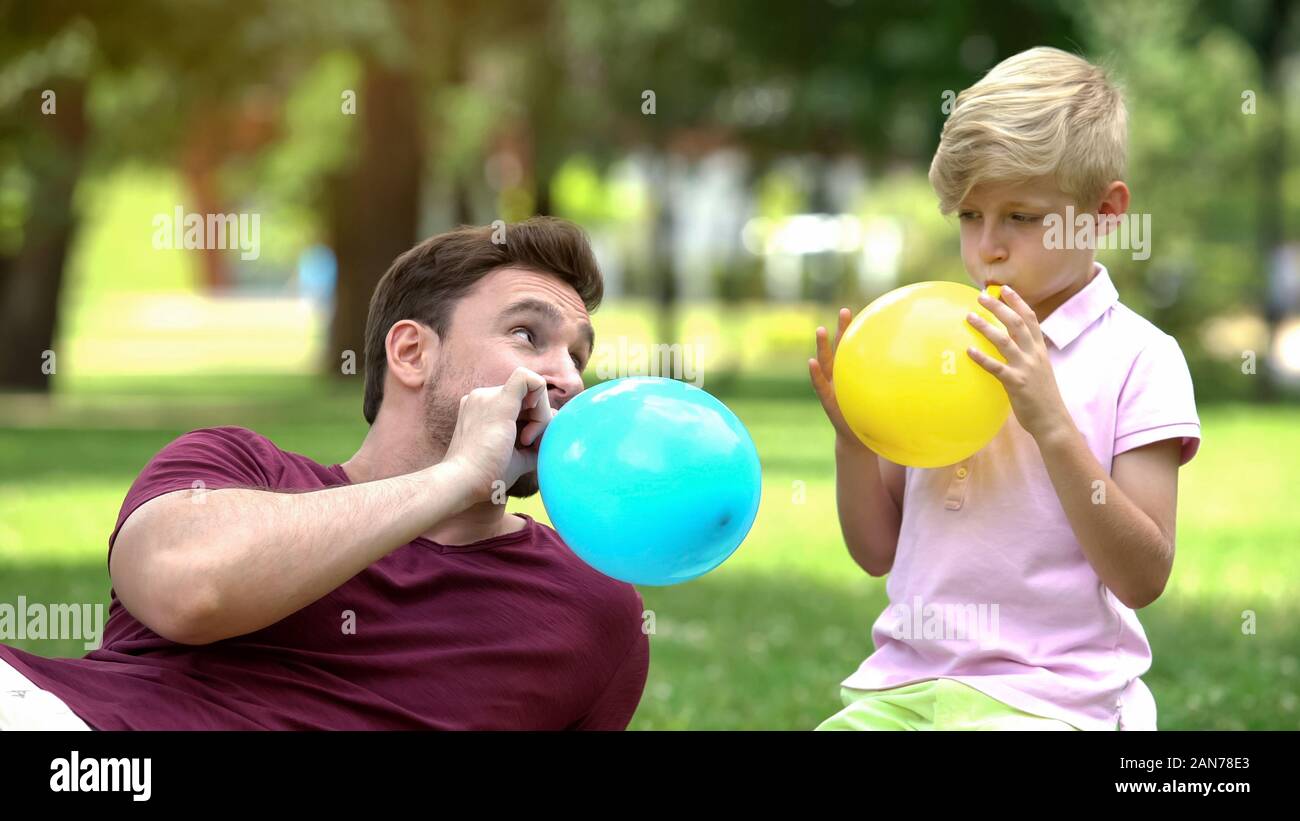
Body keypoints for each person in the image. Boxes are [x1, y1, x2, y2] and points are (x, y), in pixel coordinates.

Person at [0, 217, 650, 730]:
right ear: (412, 352)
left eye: (578, 354)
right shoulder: (233, 467)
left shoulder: (595, 605)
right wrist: (455, 479)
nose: (568, 377)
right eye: (528, 336)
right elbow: (188, 589)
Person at [808, 47, 1201, 730]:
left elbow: (1143, 575)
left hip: (1052, 702)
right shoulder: (934, 341)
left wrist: (1050, 421)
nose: (987, 246)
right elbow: (878, 550)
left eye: (1021, 217)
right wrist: (855, 441)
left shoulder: (1141, 358)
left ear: (1103, 213)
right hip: (904, 688)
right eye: (968, 215)